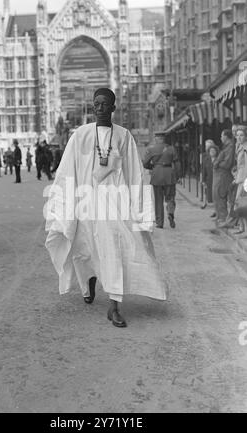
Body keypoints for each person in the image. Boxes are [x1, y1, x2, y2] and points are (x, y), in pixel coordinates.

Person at [45, 88, 168, 328]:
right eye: (96, 104)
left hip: (115, 204)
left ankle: (114, 306)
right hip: (86, 203)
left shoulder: (123, 136)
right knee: (83, 248)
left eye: (104, 104)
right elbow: (66, 171)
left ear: (113, 108)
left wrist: (140, 210)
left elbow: (134, 173)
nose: (99, 108)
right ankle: (88, 281)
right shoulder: (80, 135)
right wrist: (64, 204)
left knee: (116, 248)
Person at [143, 132, 180, 229]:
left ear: (157, 139)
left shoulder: (151, 149)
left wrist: (154, 167)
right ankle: (170, 213)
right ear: (164, 139)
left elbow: (145, 163)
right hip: (169, 174)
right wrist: (177, 176)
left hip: (157, 175)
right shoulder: (171, 148)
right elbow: (177, 164)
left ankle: (160, 223)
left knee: (158, 200)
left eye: (156, 138)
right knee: (170, 197)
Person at [212, 129, 235, 226]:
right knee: (217, 195)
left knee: (220, 194)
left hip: (224, 175)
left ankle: (223, 218)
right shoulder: (226, 147)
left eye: (222, 136)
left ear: (226, 136)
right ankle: (221, 217)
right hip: (220, 175)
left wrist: (217, 163)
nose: (221, 138)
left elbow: (227, 164)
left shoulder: (230, 147)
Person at [232, 126, 247, 236]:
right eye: (237, 135)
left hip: (245, 179)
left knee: (242, 204)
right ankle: (242, 228)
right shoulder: (239, 147)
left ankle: (245, 229)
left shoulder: (245, 148)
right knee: (239, 204)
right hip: (240, 178)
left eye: (241, 135)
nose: (239, 137)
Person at [201, 139, 216, 209]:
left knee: (214, 191)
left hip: (213, 175)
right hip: (207, 175)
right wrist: (203, 178)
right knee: (206, 189)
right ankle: (205, 202)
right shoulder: (204, 155)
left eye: (208, 146)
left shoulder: (215, 154)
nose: (207, 147)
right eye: (206, 146)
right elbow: (203, 167)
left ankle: (215, 208)